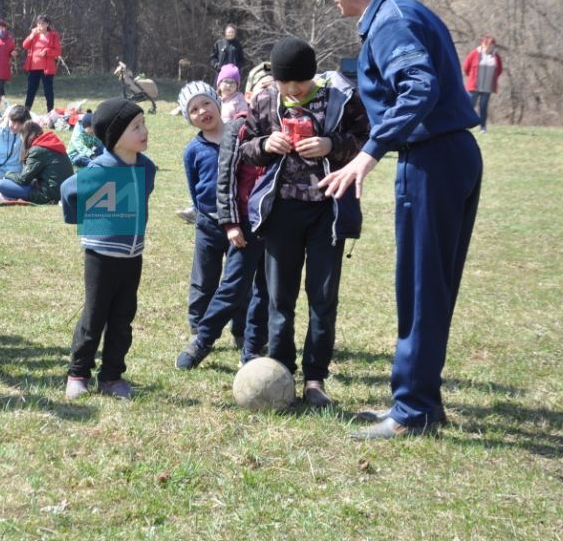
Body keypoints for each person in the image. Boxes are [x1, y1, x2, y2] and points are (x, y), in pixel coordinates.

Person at [315, 0, 482, 437]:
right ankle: (420, 402)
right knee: (430, 286)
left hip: (431, 160)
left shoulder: (391, 22)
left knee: (421, 286)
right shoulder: (406, 12)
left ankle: (412, 411)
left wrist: (369, 153)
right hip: (450, 155)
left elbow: (419, 86)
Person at [236, 38, 369, 407]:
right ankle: (279, 371)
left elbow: (366, 139)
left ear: (313, 76)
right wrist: (266, 145)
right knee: (280, 297)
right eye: (286, 83)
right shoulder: (265, 102)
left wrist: (331, 145)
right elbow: (244, 147)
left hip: (328, 211)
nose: (294, 90)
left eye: (301, 82)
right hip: (281, 212)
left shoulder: (341, 100)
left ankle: (315, 379)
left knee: (323, 297)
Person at [60, 98, 156, 399]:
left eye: (144, 124)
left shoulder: (147, 167)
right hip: (100, 254)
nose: (144, 131)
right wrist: (88, 220)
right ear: (114, 137)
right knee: (95, 315)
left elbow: (143, 192)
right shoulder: (101, 167)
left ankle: (112, 376)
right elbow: (68, 191)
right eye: (135, 127)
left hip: (133, 255)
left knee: (123, 318)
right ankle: (78, 373)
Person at [172, 82, 250, 367]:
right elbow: (194, 187)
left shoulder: (240, 138)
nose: (202, 111)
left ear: (218, 103)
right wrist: (203, 212)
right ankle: (198, 327)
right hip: (208, 223)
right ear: (188, 117)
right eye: (193, 109)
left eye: (205, 103)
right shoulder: (193, 150)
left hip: (239, 224)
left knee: (239, 280)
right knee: (204, 280)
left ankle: (241, 330)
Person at [0, 122, 74, 203]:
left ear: (26, 136)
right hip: (65, 192)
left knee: (1, 184)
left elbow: (23, 179)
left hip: (49, 195)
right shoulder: (50, 144)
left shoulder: (38, 150)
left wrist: (7, 174)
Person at [462, 35, 503, 133]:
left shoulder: (496, 56)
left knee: (483, 107)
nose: (489, 48)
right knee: (470, 105)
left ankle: (483, 127)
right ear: (482, 45)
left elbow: (499, 69)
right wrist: (472, 77)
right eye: (487, 45)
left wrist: (493, 79)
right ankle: (465, 125)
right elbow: (466, 67)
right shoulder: (475, 53)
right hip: (474, 86)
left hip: (487, 87)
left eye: (491, 46)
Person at [22, 14, 61, 113]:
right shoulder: (34, 34)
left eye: (42, 23)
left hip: (47, 68)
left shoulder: (53, 35)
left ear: (47, 24)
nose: (40, 26)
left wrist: (47, 51)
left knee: (48, 91)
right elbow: (25, 46)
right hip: (34, 67)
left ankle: (50, 112)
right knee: (31, 90)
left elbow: (58, 51)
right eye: (38, 23)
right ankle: (26, 111)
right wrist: (31, 36)